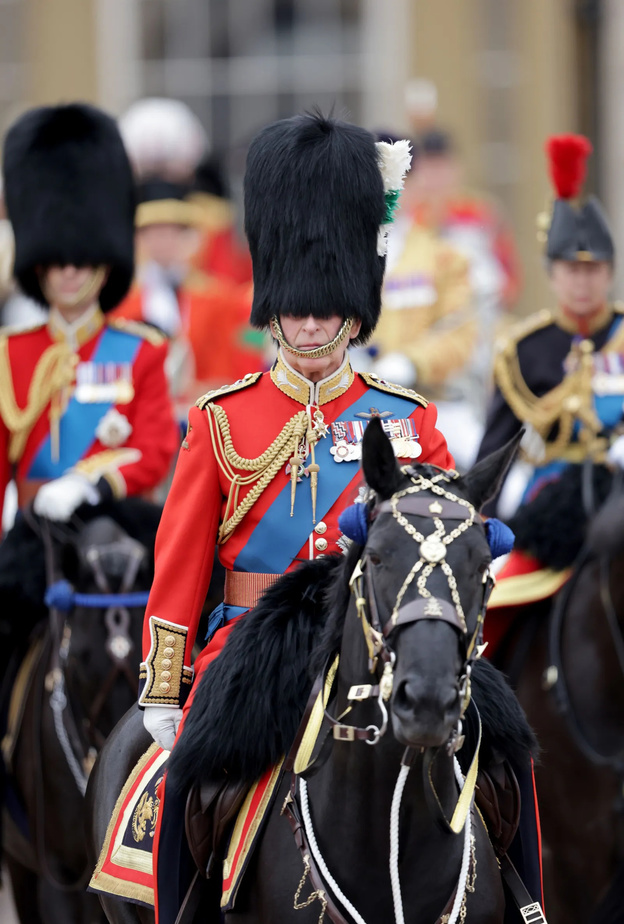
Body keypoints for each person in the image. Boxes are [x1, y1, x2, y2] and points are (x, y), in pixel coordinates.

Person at [137, 112, 454, 924]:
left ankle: (524, 898)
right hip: (250, 639)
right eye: (297, 311)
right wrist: (164, 685)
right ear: (272, 309)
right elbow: (179, 563)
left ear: (354, 308)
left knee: (507, 752)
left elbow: (446, 534)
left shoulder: (407, 419)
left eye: (327, 310)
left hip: (384, 638)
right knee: (189, 782)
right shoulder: (221, 419)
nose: (311, 327)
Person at [476, 134, 624, 645]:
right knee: (489, 612)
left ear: (609, 272)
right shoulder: (525, 349)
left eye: (594, 269)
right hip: (552, 499)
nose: (583, 282)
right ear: (552, 274)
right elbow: (496, 449)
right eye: (571, 270)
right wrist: (482, 526)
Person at [110, 177, 263, 418]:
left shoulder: (219, 297)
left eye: (171, 232)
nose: (163, 241)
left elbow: (244, 348)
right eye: (153, 233)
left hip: (208, 412)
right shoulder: (122, 303)